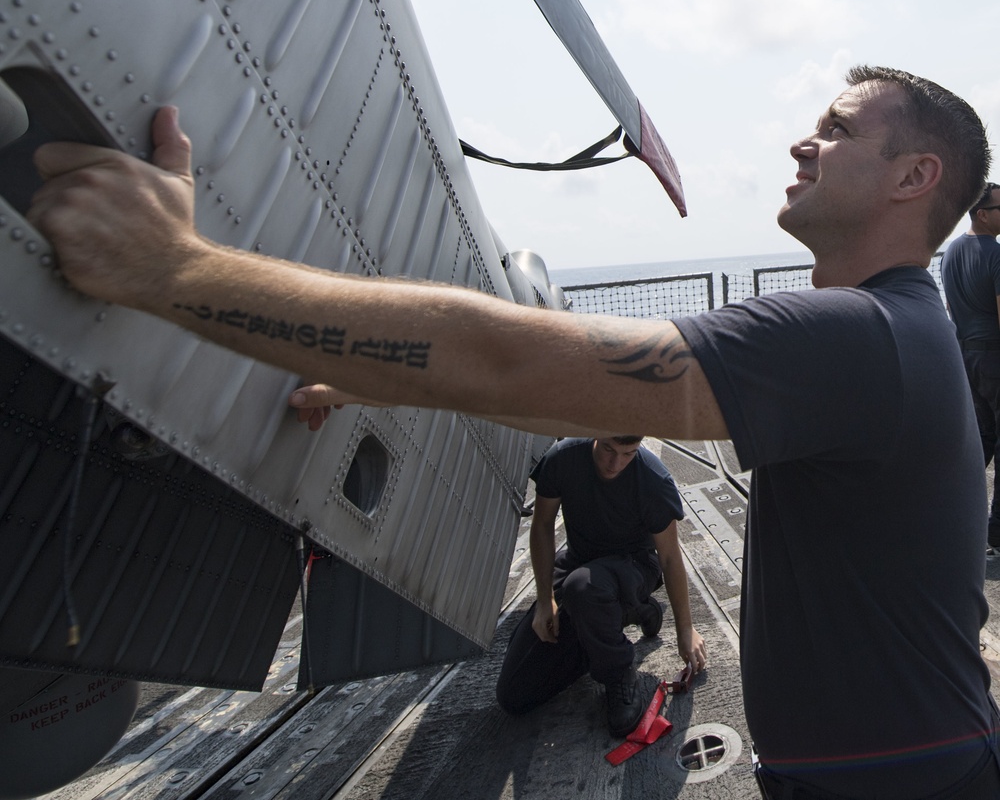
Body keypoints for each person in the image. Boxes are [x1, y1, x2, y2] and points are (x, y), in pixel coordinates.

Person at [25, 65, 1000, 799]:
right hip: (879, 759)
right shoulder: (883, 332)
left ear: (915, 174)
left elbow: (513, 354)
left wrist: (171, 270)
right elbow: (599, 400)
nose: (802, 142)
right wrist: (402, 390)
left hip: (901, 774)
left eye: (835, 129)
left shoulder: (854, 334)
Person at [495, 435, 706, 737]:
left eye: (628, 453)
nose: (614, 464)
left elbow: (670, 558)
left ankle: (618, 672)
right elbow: (542, 525)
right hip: (580, 564)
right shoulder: (562, 458)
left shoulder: (652, 479)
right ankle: (631, 614)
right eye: (608, 449)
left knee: (584, 588)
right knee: (514, 694)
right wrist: (544, 601)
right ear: (596, 432)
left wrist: (685, 629)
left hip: (633, 566)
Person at [941, 183, 1000, 558]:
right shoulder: (994, 253)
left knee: (980, 442)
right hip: (993, 356)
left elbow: (951, 309)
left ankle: (949, 517)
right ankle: (995, 534)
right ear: (982, 213)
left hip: (965, 357)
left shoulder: (950, 253)